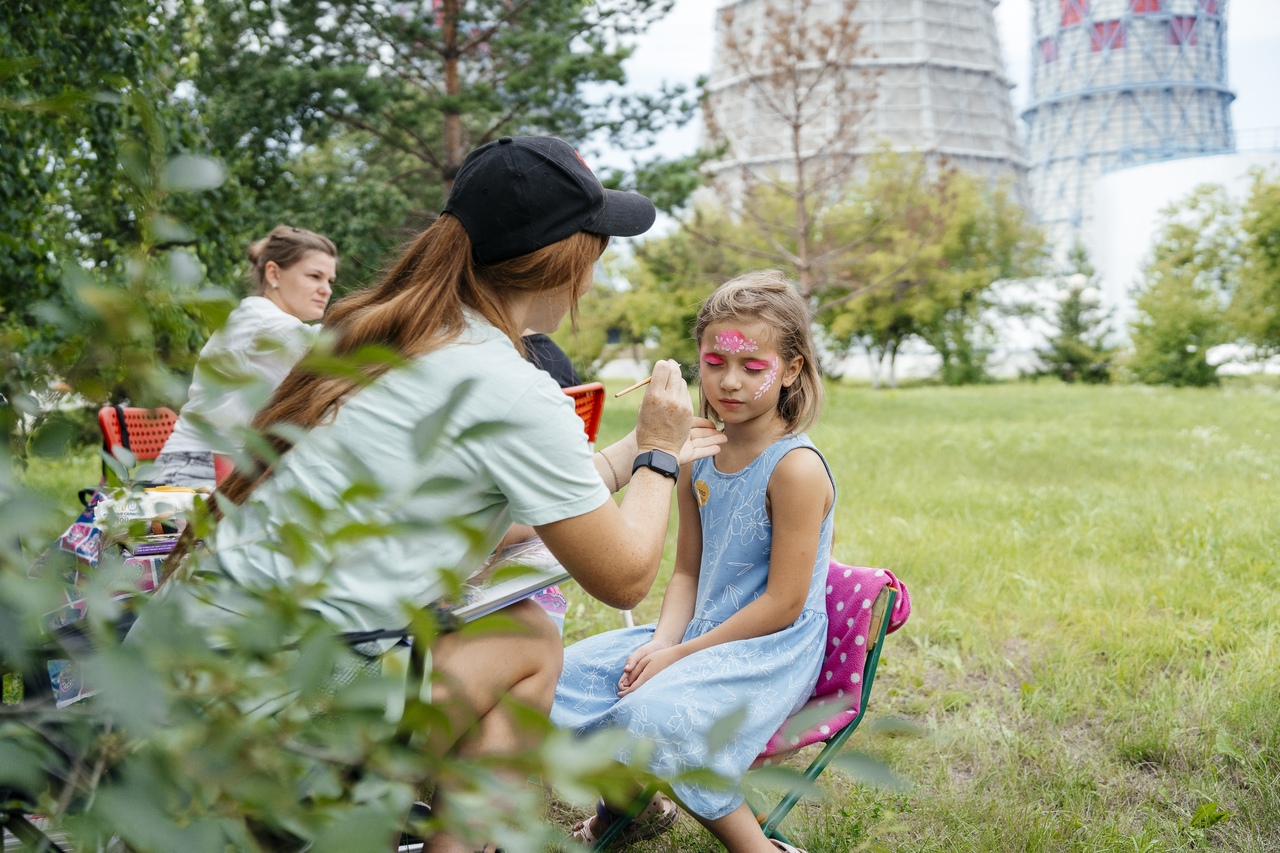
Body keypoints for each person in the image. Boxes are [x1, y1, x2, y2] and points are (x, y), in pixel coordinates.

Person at [131, 136, 725, 853]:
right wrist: (660, 451)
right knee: (531, 640)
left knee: (500, 634)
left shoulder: (377, 332)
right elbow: (624, 571)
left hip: (162, 686)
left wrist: (628, 454)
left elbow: (483, 515)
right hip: (268, 724)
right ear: (570, 258)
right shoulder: (508, 386)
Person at [552, 271, 835, 853]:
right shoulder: (693, 452)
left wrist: (678, 656)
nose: (729, 382)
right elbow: (686, 572)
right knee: (557, 676)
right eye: (714, 362)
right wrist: (662, 644)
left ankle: (756, 847)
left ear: (791, 369)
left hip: (766, 650)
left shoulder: (795, 469)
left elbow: (783, 604)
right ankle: (630, 806)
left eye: (752, 367)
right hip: (694, 631)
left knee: (651, 714)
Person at [152, 225, 337, 488]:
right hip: (189, 478)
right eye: (315, 276)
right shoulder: (259, 318)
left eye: (330, 281)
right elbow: (337, 346)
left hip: (214, 470)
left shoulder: (264, 321)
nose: (326, 289)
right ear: (273, 273)